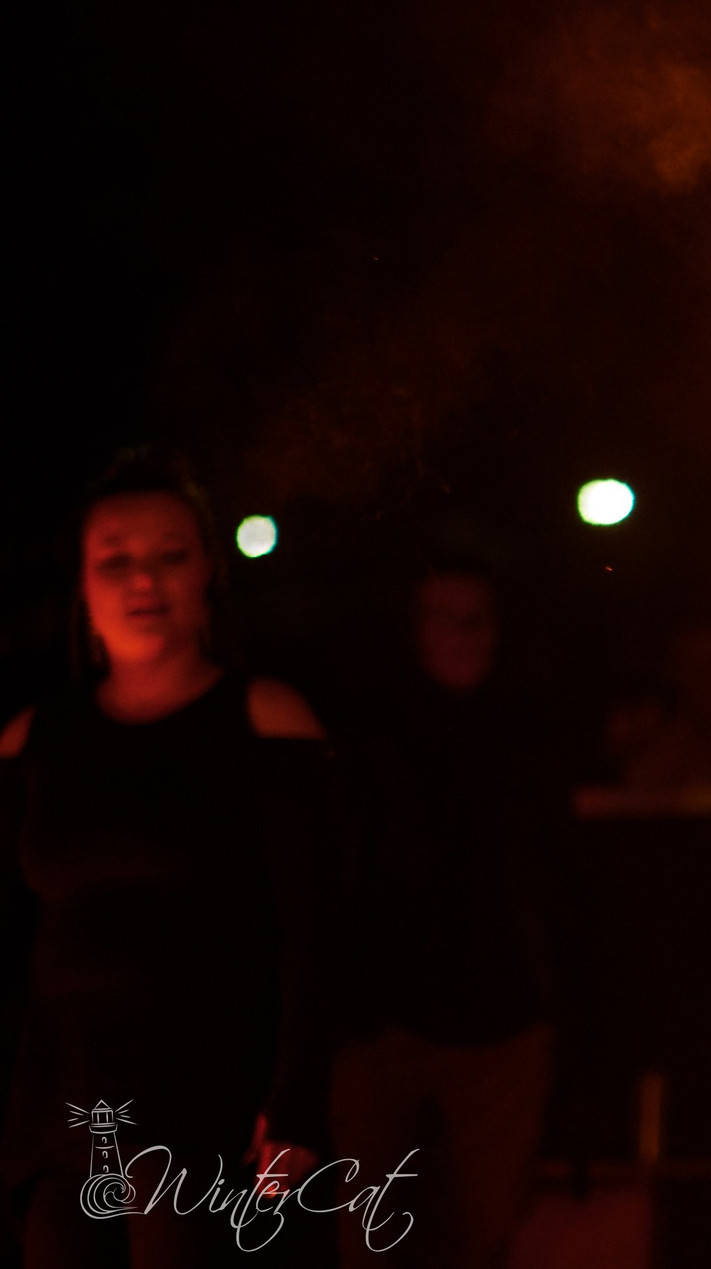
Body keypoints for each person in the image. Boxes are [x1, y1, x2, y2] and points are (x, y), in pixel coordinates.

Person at [0, 449, 333, 1266]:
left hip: (206, 1098)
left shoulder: (263, 720)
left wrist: (295, 1100)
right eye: (116, 559)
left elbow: (318, 927)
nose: (142, 579)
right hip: (64, 1102)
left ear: (207, 574)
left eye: (169, 555)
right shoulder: (33, 739)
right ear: (83, 583)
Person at [332, 560, 554, 1268]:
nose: (463, 635)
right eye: (442, 617)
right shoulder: (363, 737)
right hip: (378, 1018)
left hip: (502, 1019)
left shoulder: (531, 732)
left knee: (489, 1233)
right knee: (367, 1226)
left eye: (476, 618)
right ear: (410, 629)